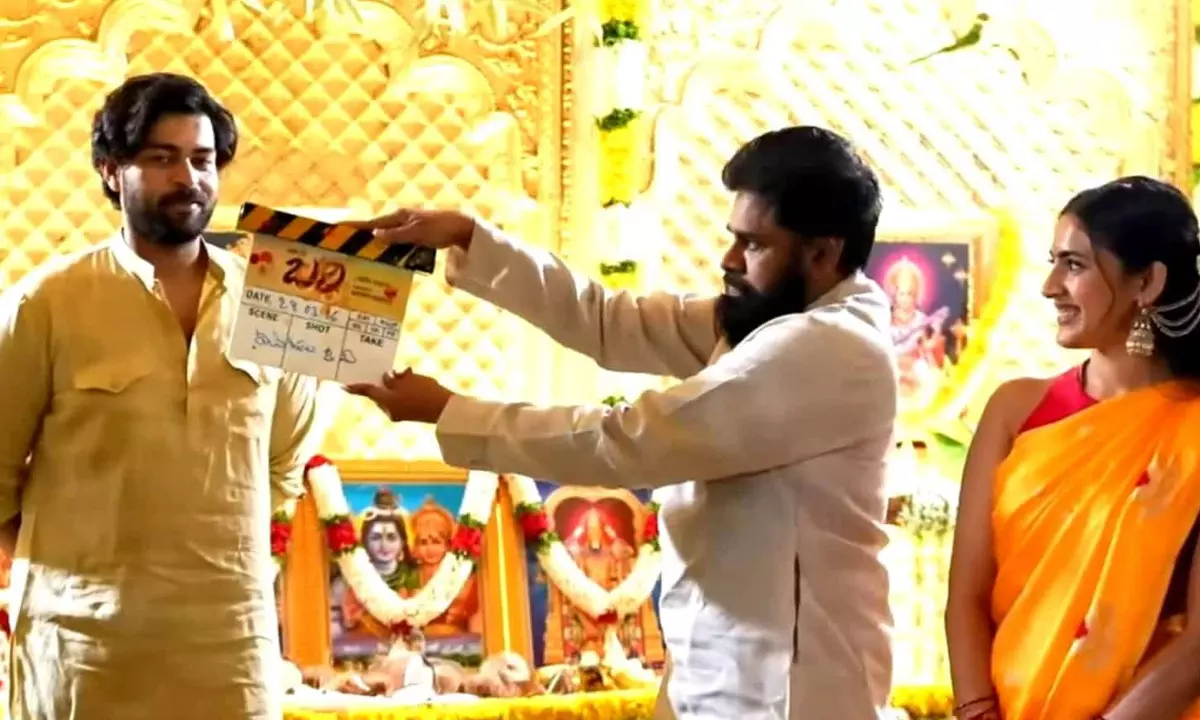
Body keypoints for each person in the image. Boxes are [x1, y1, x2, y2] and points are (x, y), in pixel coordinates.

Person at [346, 126, 899, 719]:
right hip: (718, 672)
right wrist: (468, 237)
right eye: (733, 238)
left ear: (823, 253)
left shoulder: (829, 347)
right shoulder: (769, 320)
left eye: (754, 244)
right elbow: (609, 321)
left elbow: (633, 440)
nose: (729, 260)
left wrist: (447, 411)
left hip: (794, 688)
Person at [0, 73, 321, 719]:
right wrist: (79, 575)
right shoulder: (46, 302)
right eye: (161, 158)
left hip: (232, 650)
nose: (188, 178)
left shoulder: (275, 304)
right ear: (111, 171)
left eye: (202, 160)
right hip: (83, 654)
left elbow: (285, 465)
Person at [945, 177, 1200, 720]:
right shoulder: (1015, 411)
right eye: (1053, 262)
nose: (1050, 286)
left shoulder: (1193, 427)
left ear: (1147, 282)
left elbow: (1197, 647)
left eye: (1075, 265)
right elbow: (967, 595)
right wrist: (977, 712)